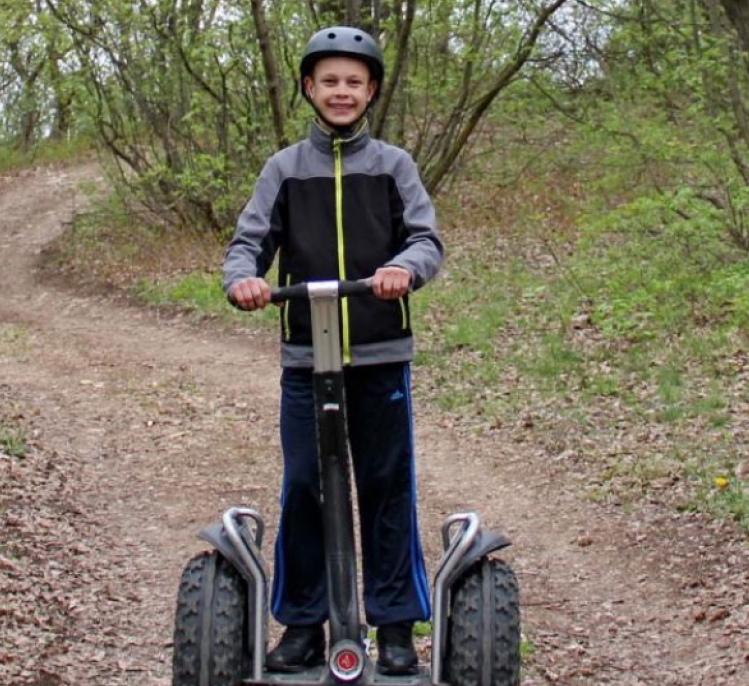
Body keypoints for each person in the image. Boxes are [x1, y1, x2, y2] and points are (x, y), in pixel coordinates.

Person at [222, 26, 443, 677]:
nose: (341, 92)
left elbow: (427, 240)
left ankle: (396, 625)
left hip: (379, 355)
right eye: (330, 82)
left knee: (385, 483)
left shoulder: (394, 165)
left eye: (353, 82)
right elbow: (247, 243)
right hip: (304, 359)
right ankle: (302, 624)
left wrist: (405, 268)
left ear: (370, 90)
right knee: (305, 486)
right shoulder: (285, 170)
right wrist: (244, 279)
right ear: (309, 89)